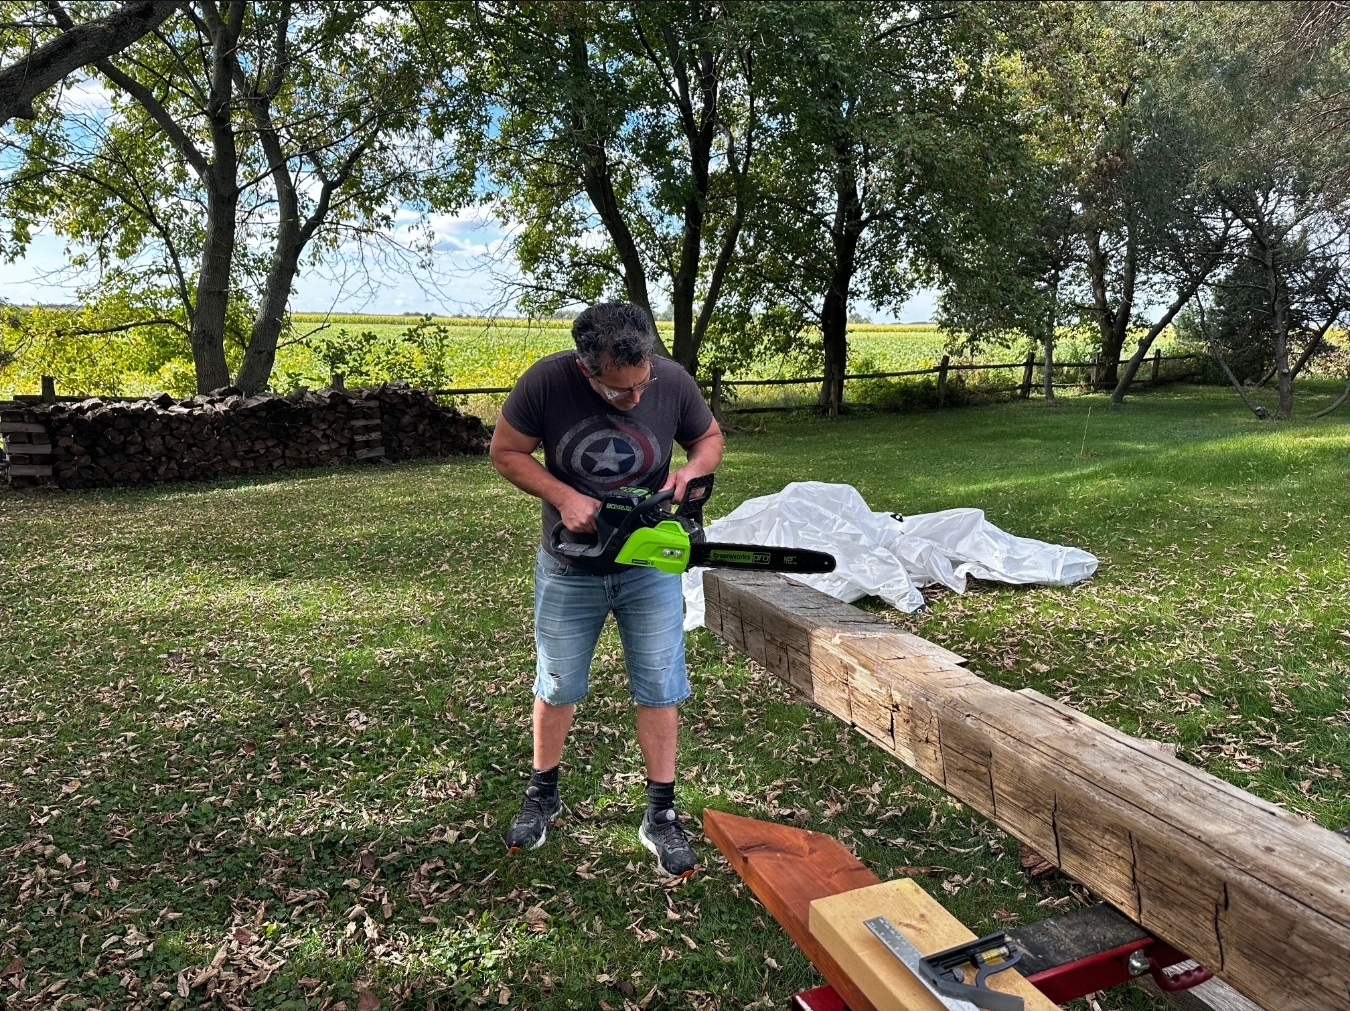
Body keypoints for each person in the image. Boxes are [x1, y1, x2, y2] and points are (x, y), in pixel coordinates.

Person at [489, 302, 723, 877]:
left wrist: (689, 473)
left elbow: (708, 437)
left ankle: (660, 815)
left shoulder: (668, 379)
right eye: (621, 392)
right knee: (559, 680)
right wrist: (564, 497)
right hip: (570, 567)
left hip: (648, 564)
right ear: (585, 367)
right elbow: (506, 452)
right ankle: (544, 792)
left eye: (642, 383)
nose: (638, 398)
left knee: (660, 684)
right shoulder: (546, 382)